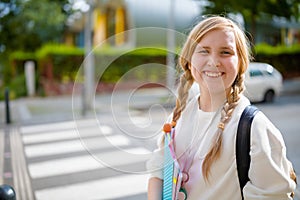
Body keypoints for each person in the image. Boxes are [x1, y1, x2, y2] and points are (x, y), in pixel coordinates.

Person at [147, 16, 296, 199]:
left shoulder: (254, 128)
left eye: (225, 52)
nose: (214, 61)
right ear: (188, 59)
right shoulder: (176, 118)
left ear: (241, 62)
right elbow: (158, 175)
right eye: (204, 51)